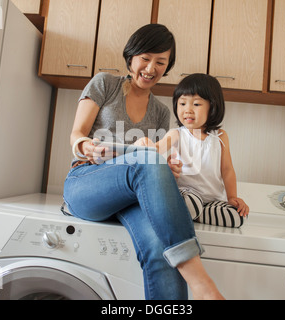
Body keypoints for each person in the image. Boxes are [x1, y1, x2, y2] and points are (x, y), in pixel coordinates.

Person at [63, 24, 223, 300]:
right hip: (87, 183)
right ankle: (202, 286)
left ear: (167, 67)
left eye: (160, 62)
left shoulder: (161, 113)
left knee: (161, 250)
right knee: (145, 159)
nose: (151, 68)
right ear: (131, 57)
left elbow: (154, 163)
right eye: (145, 59)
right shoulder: (105, 84)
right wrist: (86, 145)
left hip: (132, 198)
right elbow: (76, 135)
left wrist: (168, 169)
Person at [136, 74, 249, 227]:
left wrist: (232, 197)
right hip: (186, 193)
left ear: (213, 106)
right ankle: (193, 211)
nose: (187, 110)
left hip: (212, 199)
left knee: (237, 217)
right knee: (190, 201)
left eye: (196, 104)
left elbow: (227, 170)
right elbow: (159, 146)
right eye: (182, 103)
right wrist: (148, 145)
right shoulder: (178, 133)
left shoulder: (221, 137)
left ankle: (197, 214)